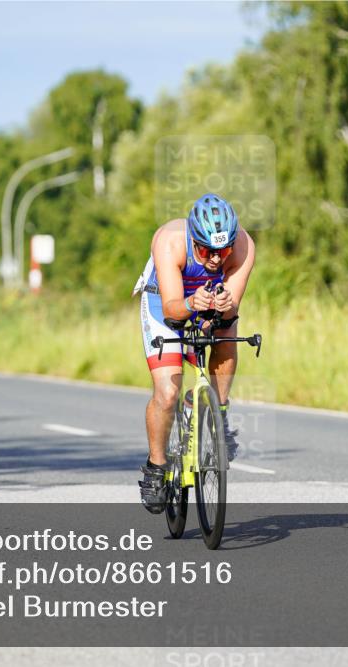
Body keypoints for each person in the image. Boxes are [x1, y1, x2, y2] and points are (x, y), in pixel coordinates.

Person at [134, 193, 255, 513]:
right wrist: (191, 304)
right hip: (165, 301)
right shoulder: (169, 241)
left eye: (223, 250)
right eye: (206, 251)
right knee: (167, 391)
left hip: (206, 301)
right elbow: (174, 310)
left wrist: (223, 308)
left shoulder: (243, 245)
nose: (216, 259)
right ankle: (157, 468)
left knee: (228, 331)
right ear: (193, 239)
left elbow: (229, 314)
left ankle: (220, 415)